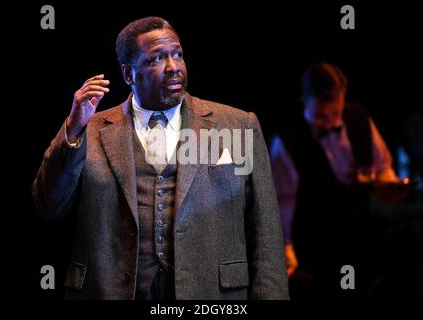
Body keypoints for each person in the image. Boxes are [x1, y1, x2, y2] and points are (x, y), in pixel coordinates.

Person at [32, 16, 288, 300]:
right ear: (129, 74)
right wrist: (72, 129)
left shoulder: (236, 125)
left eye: (177, 54)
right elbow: (49, 205)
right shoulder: (88, 131)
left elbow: (265, 232)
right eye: (157, 59)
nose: (173, 67)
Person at [269, 62, 398, 299]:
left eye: (335, 114)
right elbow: (282, 204)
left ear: (342, 98)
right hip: (316, 247)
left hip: (363, 240)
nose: (328, 122)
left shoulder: (359, 118)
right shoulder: (286, 142)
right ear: (304, 100)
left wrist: (390, 186)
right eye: (320, 116)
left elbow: (383, 169)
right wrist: (286, 249)